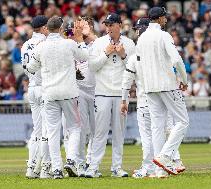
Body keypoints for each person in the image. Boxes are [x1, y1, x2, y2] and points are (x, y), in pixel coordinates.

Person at [121, 18, 185, 179]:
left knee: (152, 134)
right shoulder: (158, 48)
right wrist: (183, 80)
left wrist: (124, 100)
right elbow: (175, 61)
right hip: (164, 92)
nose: (136, 32)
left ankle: (155, 166)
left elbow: (126, 82)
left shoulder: (137, 55)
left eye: (137, 29)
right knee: (168, 128)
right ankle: (171, 162)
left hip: (147, 97)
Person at [26, 16, 89, 179]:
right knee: (74, 127)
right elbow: (84, 56)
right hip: (69, 93)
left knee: (53, 132)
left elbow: (31, 68)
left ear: (48, 28)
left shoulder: (41, 47)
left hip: (49, 93)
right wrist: (80, 40)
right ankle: (71, 160)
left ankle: (56, 169)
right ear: (61, 29)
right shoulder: (69, 44)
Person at [136, 7, 189, 175]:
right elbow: (176, 59)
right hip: (167, 85)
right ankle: (166, 156)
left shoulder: (142, 38)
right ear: (159, 19)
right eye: (164, 17)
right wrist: (184, 80)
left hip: (149, 88)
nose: (166, 19)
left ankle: (160, 171)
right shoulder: (164, 35)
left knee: (157, 127)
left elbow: (140, 64)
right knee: (183, 121)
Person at [85, 13, 135, 178]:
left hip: (121, 95)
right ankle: (93, 167)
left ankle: (117, 167)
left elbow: (134, 69)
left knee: (119, 133)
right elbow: (92, 66)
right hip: (102, 93)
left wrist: (123, 55)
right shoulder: (99, 43)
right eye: (106, 25)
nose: (108, 28)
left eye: (111, 24)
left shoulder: (129, 43)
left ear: (119, 25)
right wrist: (106, 53)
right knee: (100, 132)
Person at [63, 17, 98, 177]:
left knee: (97, 130)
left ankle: (92, 163)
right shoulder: (71, 44)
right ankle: (80, 163)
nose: (79, 28)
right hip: (79, 91)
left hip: (97, 91)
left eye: (84, 25)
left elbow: (99, 44)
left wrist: (86, 34)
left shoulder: (96, 43)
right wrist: (73, 36)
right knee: (81, 129)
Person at [21, 15, 52, 179]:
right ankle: (46, 169)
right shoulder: (45, 43)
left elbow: (26, 68)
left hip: (32, 87)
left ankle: (31, 167)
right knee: (48, 130)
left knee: (36, 130)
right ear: (44, 27)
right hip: (44, 88)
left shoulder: (25, 45)